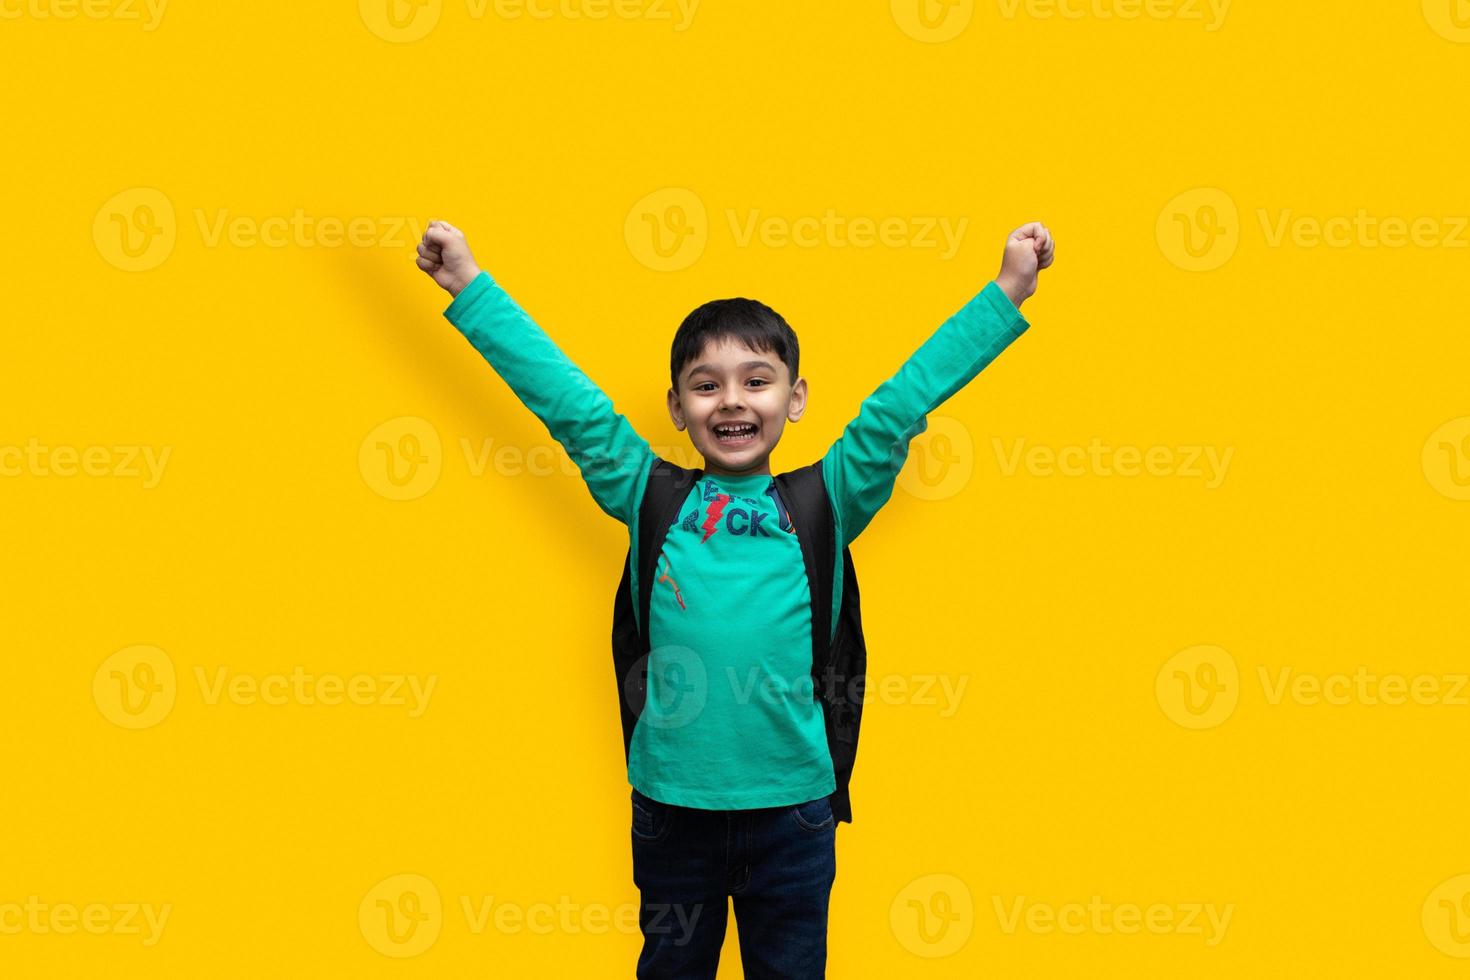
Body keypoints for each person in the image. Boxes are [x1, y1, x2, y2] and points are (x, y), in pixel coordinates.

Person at [416, 218, 1054, 978]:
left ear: (795, 397)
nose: (731, 400)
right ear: (678, 407)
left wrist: (1007, 291)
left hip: (795, 814)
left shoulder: (830, 496)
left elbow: (899, 406)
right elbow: (567, 404)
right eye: (706, 385)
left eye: (757, 379)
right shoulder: (644, 490)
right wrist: (469, 286)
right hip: (671, 812)